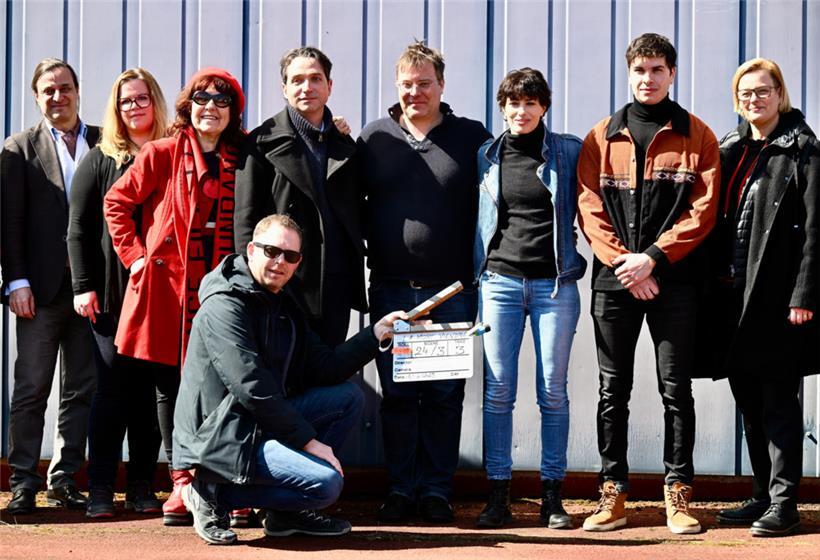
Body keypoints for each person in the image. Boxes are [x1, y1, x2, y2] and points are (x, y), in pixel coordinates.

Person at [173, 214, 406, 545]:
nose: (279, 262)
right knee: (325, 483)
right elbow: (251, 387)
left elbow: (325, 366)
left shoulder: (282, 302)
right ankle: (210, 492)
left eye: (291, 256)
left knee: (347, 397)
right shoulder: (224, 304)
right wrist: (310, 443)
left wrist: (374, 334)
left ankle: (285, 515)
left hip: (258, 424)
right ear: (252, 250)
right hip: (221, 435)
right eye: (271, 251)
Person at [576, 33, 719, 534]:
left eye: (657, 69)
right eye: (640, 69)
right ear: (629, 72)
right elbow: (589, 208)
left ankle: (677, 495)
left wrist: (653, 260)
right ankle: (612, 494)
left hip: (674, 283)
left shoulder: (696, 135)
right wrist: (625, 266)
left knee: (676, 390)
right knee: (612, 390)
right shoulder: (600, 136)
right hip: (615, 285)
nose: (648, 78)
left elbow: (703, 212)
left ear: (672, 73)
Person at [103, 67, 245, 526]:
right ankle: (181, 481)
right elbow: (116, 203)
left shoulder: (244, 156)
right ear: (188, 106)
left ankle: (224, 480)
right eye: (202, 99)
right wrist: (136, 257)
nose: (211, 108)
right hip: (167, 288)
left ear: (232, 112)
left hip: (220, 286)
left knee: (223, 382)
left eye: (221, 101)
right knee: (171, 386)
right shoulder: (162, 153)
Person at [358, 40, 492, 524]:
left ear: (442, 85)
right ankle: (399, 490)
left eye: (425, 84)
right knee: (397, 395)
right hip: (392, 287)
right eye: (407, 85)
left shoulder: (471, 137)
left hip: (451, 292)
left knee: (441, 396)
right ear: (397, 87)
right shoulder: (375, 138)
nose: (416, 92)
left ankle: (435, 491)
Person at [708, 59, 818, 537]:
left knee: (778, 401)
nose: (755, 99)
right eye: (746, 92)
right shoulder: (731, 148)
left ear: (780, 94)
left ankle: (785, 502)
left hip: (778, 300)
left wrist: (804, 294)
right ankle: (761, 494)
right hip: (735, 297)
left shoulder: (805, 152)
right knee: (749, 400)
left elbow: (817, 232)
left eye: (763, 91)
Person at [473, 68, 585, 529]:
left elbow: (597, 204)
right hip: (498, 282)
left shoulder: (568, 151)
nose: (521, 111)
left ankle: (551, 496)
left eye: (531, 102)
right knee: (498, 391)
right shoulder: (486, 156)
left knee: (551, 392)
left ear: (544, 106)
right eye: (513, 103)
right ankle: (498, 494)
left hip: (553, 285)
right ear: (502, 107)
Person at [67, 67, 168, 518]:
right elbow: (77, 229)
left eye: (142, 98)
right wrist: (82, 286)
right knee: (111, 391)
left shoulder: (173, 151)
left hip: (160, 296)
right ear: (116, 107)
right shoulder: (100, 157)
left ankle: (144, 484)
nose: (134, 107)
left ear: (155, 101)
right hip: (111, 295)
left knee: (148, 393)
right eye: (126, 100)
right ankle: (103, 488)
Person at [1, 58, 100, 515]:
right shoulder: (19, 148)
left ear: (78, 91)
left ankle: (63, 479)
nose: (57, 96)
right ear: (36, 97)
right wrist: (14, 279)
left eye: (64, 87)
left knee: (80, 389)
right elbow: (10, 221)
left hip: (91, 291)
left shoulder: (104, 142)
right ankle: (23, 481)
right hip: (37, 292)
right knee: (31, 389)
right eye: (47, 90)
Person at [234, 46, 365, 347]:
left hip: (335, 283)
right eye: (297, 80)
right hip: (283, 281)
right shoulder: (260, 143)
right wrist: (252, 284)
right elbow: (245, 220)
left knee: (328, 374)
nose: (307, 87)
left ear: (329, 86)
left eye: (316, 79)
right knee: (284, 376)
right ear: (284, 88)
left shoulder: (344, 143)